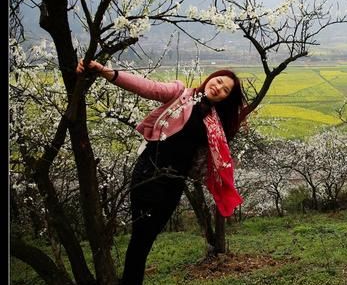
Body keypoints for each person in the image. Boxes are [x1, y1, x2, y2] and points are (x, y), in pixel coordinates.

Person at [76, 59, 247, 285]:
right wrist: (107, 72)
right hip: (151, 171)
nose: (218, 88)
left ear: (225, 98)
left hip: (175, 182)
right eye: (218, 81)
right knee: (141, 236)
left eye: (225, 90)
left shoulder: (213, 120)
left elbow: (216, 152)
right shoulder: (180, 94)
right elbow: (148, 87)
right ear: (210, 78)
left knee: (147, 238)